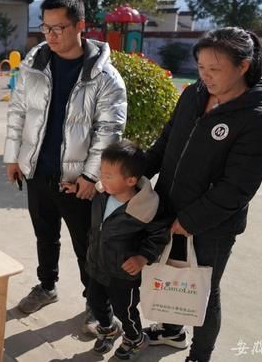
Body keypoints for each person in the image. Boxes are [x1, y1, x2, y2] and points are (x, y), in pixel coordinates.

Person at [142, 27, 262, 362]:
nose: (206, 76)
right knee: (174, 274)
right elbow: (166, 142)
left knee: (203, 288)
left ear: (243, 66)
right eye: (201, 68)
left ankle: (200, 355)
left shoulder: (258, 118)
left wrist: (188, 221)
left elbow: (238, 188)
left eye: (214, 69)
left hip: (211, 226)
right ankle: (173, 331)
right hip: (169, 207)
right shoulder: (193, 95)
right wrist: (135, 174)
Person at [3, 0, 127, 331]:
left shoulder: (104, 77)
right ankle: (47, 286)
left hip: (76, 181)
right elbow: (17, 113)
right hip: (37, 172)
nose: (51, 36)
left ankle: (96, 303)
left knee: (88, 244)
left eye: (59, 28)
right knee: (45, 235)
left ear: (80, 26)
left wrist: (90, 177)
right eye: (46, 27)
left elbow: (109, 131)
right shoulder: (34, 64)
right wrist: (13, 157)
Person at [75, 140, 169, 360]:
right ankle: (108, 329)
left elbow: (159, 235)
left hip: (123, 274)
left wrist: (142, 257)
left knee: (124, 310)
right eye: (102, 172)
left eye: (108, 175)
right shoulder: (102, 193)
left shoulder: (144, 207)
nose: (102, 178)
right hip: (97, 263)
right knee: (95, 301)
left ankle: (135, 338)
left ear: (130, 180)